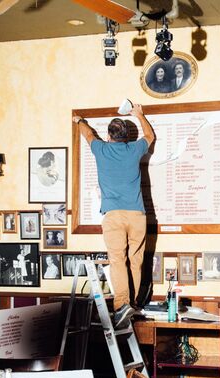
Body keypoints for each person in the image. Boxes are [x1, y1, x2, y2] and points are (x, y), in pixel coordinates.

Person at [73, 104, 155, 328]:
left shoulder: (101, 149)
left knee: (118, 260)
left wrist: (80, 120)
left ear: (109, 136)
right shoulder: (134, 149)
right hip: (138, 215)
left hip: (114, 216)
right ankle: (135, 304)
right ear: (126, 137)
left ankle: (122, 306)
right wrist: (139, 114)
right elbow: (150, 135)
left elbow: (88, 134)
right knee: (136, 261)